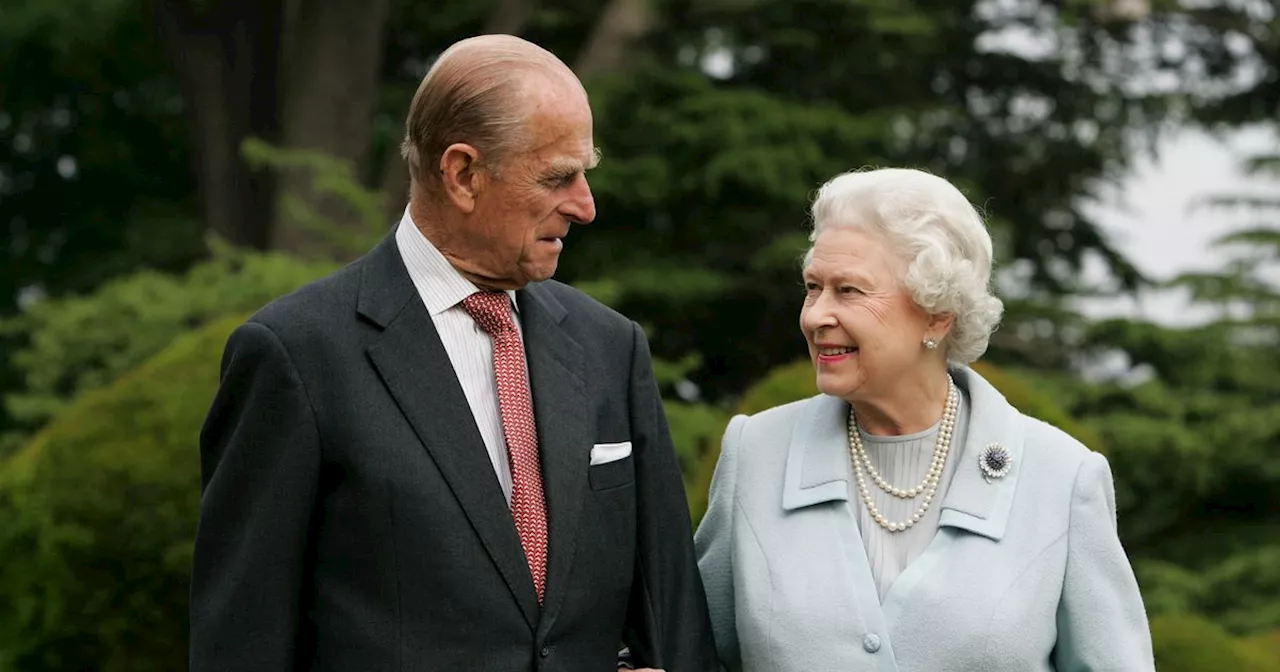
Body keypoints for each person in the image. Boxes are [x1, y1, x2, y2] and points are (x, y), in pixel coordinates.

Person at [190, 34, 716, 672]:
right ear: (463, 173)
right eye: (558, 177)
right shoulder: (295, 356)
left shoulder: (611, 346)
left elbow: (675, 621)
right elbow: (242, 642)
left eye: (586, 173)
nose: (585, 206)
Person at [694, 167, 1156, 671]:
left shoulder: (1062, 479)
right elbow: (687, 651)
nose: (814, 316)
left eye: (849, 291)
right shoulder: (756, 453)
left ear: (938, 314)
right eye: (813, 287)